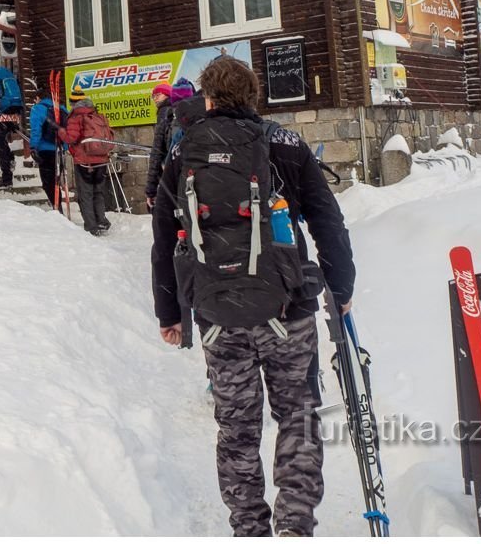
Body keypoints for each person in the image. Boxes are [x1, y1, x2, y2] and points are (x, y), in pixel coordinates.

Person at [152, 56, 356, 537]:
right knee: (297, 420)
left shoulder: (184, 154)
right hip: (289, 308)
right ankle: (294, 527)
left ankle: (249, 529)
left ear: (208, 98)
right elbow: (327, 219)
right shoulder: (285, 144)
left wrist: (171, 312)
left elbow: (164, 237)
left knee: (237, 430)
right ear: (253, 96)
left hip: (218, 313)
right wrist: (340, 288)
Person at [59, 87, 116, 236]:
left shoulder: (75, 117)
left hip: (84, 161)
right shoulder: (96, 114)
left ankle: (91, 225)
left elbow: (71, 138)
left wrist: (60, 131)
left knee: (86, 193)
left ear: (73, 102)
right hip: (101, 159)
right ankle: (101, 220)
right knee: (98, 192)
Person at [143, 81, 198, 210]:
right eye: (153, 96)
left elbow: (157, 153)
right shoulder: (200, 116)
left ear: (169, 95)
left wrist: (151, 189)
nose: (155, 99)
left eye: (158, 95)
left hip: (175, 177)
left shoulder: (165, 113)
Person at [28, 83, 69, 208]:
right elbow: (67, 128)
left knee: (48, 183)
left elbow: (36, 130)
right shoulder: (62, 108)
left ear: (38, 98)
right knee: (56, 181)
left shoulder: (38, 109)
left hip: (45, 150)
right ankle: (58, 206)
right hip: (60, 149)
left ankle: (57, 208)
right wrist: (66, 147)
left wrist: (33, 147)